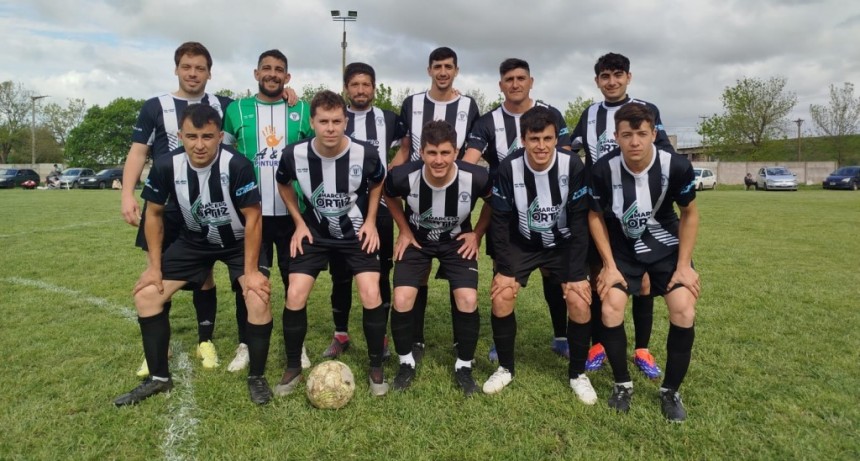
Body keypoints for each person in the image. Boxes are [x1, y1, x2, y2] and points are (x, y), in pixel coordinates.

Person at [114, 104, 274, 406]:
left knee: (257, 297)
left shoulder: (237, 165)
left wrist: (251, 272)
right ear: (180, 136)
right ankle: (159, 378)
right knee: (147, 295)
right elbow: (155, 214)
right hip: (195, 240)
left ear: (220, 136)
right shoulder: (165, 165)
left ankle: (257, 377)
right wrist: (153, 267)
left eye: (207, 136)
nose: (199, 144)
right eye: (191, 136)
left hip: (239, 241)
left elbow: (253, 217)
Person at [120, 42, 233, 376]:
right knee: (158, 275)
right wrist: (127, 193)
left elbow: (258, 109)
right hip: (165, 206)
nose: (193, 73)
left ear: (209, 73)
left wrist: (289, 95)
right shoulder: (156, 106)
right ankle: (161, 346)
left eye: (200, 68)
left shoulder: (223, 105)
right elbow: (138, 151)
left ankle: (205, 340)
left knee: (205, 275)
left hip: (206, 207)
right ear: (176, 69)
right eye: (187, 67)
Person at [588, 103, 700, 422]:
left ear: (653, 133)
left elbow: (690, 214)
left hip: (666, 246)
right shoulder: (602, 170)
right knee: (610, 306)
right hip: (623, 248)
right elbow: (594, 216)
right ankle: (622, 384)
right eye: (627, 135)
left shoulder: (676, 166)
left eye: (641, 134)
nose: (634, 141)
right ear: (616, 137)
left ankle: (670, 391)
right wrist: (608, 265)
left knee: (683, 308)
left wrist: (684, 265)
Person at [274, 90, 389, 397]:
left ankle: (376, 366)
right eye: (323, 121)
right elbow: (282, 183)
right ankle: (293, 367)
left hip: (355, 234)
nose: (330, 128)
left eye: (336, 121)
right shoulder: (293, 154)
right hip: (314, 233)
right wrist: (298, 222)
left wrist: (370, 221)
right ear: (312, 122)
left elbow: (378, 182)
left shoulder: (364, 154)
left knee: (370, 291)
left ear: (345, 121)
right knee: (295, 293)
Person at [569, 52, 675, 379]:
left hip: (639, 210)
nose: (611, 81)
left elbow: (666, 155)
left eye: (617, 74)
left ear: (628, 77)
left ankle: (641, 348)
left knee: (643, 282)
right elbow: (569, 149)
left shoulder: (646, 110)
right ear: (597, 80)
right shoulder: (589, 114)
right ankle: (601, 342)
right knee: (603, 274)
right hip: (602, 210)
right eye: (605, 76)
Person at [482, 106, 595, 405]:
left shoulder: (572, 166)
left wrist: (575, 275)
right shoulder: (508, 168)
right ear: (523, 139)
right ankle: (505, 368)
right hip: (523, 242)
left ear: (557, 138)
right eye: (534, 139)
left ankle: (577, 374)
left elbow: (580, 222)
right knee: (502, 295)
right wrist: (505, 269)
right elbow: (501, 223)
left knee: (578, 299)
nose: (541, 146)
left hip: (564, 242)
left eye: (548, 138)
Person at [464, 58, 572, 362]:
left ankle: (561, 335)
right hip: (508, 213)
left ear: (531, 81)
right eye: (509, 79)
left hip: (550, 211)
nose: (515, 84)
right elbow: (469, 163)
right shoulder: (487, 123)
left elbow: (564, 160)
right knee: (503, 276)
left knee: (553, 275)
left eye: (520, 78)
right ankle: (502, 342)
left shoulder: (551, 115)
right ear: (501, 85)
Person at [384, 120, 491, 396]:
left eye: (445, 152)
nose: (439, 160)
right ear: (422, 153)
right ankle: (405, 362)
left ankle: (464, 366)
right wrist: (404, 230)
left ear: (456, 151)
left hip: (456, 242)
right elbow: (387, 194)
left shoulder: (476, 177)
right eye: (432, 153)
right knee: (402, 297)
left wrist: (476, 234)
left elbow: (493, 202)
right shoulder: (404, 176)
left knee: (467, 299)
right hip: (418, 240)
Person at [222, 49, 313, 373]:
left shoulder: (301, 109)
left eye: (279, 70)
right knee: (249, 281)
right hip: (252, 216)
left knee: (294, 282)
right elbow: (225, 158)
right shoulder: (236, 110)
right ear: (256, 73)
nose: (273, 74)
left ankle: (296, 345)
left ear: (287, 78)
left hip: (292, 216)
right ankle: (246, 343)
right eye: (267, 69)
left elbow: (316, 155)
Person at [390, 46, 481, 362]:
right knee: (418, 275)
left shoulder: (469, 106)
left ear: (456, 70)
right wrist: (394, 174)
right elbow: (404, 147)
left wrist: (457, 174)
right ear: (429, 69)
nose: (443, 72)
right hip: (417, 193)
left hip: (451, 196)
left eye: (449, 67)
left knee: (465, 293)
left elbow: (474, 146)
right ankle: (414, 340)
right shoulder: (411, 104)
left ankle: (462, 352)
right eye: (437, 66)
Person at [322, 62, 406, 359]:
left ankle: (379, 337)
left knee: (380, 273)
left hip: (379, 209)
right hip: (340, 210)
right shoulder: (335, 118)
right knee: (341, 276)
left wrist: (390, 171)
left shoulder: (388, 119)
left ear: (373, 87)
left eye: (366, 84)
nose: (361, 90)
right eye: (355, 84)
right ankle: (341, 334)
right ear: (346, 88)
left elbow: (407, 143)